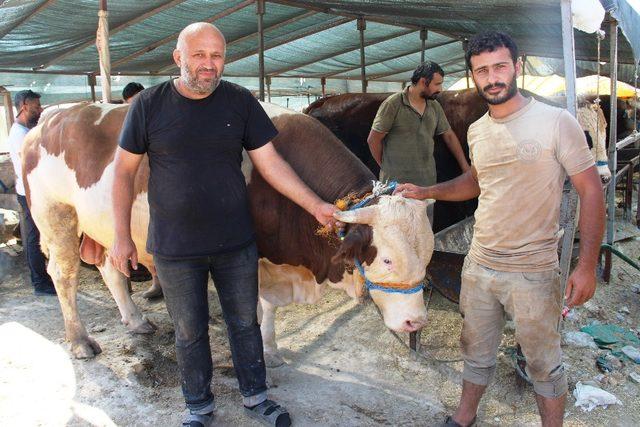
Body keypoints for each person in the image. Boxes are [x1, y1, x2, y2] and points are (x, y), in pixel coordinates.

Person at [110, 22, 338, 427]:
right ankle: (197, 407)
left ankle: (256, 397)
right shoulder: (149, 105)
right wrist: (121, 236)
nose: (209, 65)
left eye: (217, 56)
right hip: (175, 246)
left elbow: (271, 164)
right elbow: (123, 173)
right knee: (189, 330)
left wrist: (316, 204)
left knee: (245, 322)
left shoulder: (240, 101)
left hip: (235, 242)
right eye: (199, 55)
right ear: (179, 58)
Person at [396, 32, 604, 427]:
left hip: (534, 269)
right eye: (482, 71)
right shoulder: (477, 130)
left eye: (499, 67)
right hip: (480, 264)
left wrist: (587, 265)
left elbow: (591, 192)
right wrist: (424, 192)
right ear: (473, 75)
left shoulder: (557, 122)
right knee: (474, 348)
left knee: (543, 361)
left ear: (517, 66)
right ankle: (464, 416)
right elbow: (475, 182)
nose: (492, 78)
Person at [367, 61, 470, 191]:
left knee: (426, 212)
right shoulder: (393, 104)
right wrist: (385, 166)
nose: (440, 89)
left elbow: (449, 136)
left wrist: (465, 167)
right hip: (396, 187)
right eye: (437, 84)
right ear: (423, 82)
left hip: (427, 185)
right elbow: (373, 140)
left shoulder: (434, 106)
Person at [7, 89, 56, 296]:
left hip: (33, 192)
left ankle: (44, 279)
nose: (40, 110)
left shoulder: (24, 131)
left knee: (38, 235)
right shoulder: (20, 135)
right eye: (36, 107)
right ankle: (40, 283)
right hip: (28, 193)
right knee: (34, 238)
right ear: (24, 106)